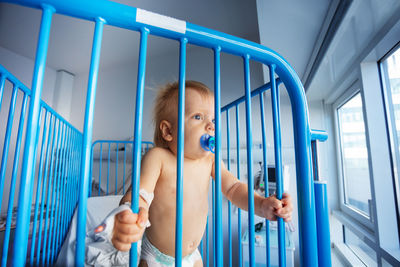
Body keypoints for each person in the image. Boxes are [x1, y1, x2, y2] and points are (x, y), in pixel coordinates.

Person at [111, 80, 293, 267]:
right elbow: (140, 194)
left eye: (212, 120)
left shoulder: (210, 160)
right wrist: (131, 212)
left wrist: (261, 204)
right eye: (198, 117)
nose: (211, 126)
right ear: (168, 130)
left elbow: (233, 188)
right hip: (157, 258)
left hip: (193, 256)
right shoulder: (158, 158)